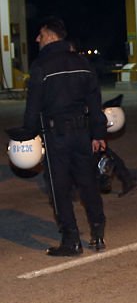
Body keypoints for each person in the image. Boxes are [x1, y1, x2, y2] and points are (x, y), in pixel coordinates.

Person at [22, 17, 107, 255]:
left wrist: (27, 136)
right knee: (88, 183)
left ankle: (71, 241)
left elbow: (33, 107)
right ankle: (98, 231)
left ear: (50, 36)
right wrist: (98, 133)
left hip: (55, 135)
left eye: (40, 34)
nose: (37, 39)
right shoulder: (82, 62)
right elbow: (94, 101)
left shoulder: (41, 66)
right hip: (82, 134)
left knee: (59, 189)